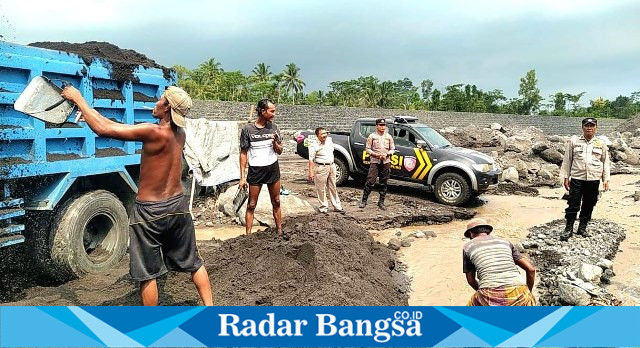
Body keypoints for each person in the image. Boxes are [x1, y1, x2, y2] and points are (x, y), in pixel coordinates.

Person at [61, 85, 213, 306]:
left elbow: (104, 130)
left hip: (150, 212)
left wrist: (78, 99)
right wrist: (90, 114)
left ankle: (150, 328)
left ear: (167, 106)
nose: (155, 103)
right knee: (194, 263)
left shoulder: (153, 132)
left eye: (160, 100)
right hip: (178, 207)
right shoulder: (180, 134)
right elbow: (113, 126)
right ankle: (210, 309)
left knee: (147, 274)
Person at [239, 99, 287, 240]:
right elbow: (243, 153)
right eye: (271, 111)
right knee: (252, 204)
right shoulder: (248, 130)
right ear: (262, 111)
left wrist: (275, 144)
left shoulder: (274, 128)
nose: (274, 114)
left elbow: (280, 151)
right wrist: (242, 177)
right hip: (256, 171)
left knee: (276, 201)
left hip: (272, 169)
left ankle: (279, 231)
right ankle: (248, 237)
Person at [462, 218, 536, 306]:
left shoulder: (468, 247)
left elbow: (471, 281)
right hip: (519, 290)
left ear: (471, 233)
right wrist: (528, 292)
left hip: (489, 293)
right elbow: (531, 269)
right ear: (488, 231)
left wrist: (483, 292)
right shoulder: (505, 242)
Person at [559, 117, 610, 241]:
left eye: (592, 125)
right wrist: (566, 177)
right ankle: (568, 229)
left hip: (593, 179)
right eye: (587, 125)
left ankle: (582, 228)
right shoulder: (574, 141)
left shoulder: (601, 143)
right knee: (573, 203)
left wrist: (606, 179)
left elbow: (605, 161)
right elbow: (567, 160)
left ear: (596, 128)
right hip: (577, 178)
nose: (589, 127)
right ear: (582, 127)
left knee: (589, 204)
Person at [359, 118, 395, 210]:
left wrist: (387, 154)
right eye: (381, 125)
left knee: (384, 182)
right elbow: (367, 149)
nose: (383, 127)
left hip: (386, 161)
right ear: (377, 126)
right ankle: (364, 200)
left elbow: (392, 149)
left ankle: (381, 202)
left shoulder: (388, 136)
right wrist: (375, 154)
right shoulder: (372, 136)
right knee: (370, 181)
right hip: (375, 161)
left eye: (384, 125)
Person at [308, 127, 344, 214]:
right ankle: (323, 207)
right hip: (321, 167)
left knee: (333, 187)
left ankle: (337, 206)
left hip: (331, 166)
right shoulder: (314, 145)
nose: (325, 135)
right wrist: (311, 172)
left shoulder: (329, 140)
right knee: (321, 189)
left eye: (326, 133)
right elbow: (311, 159)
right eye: (322, 134)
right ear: (317, 136)